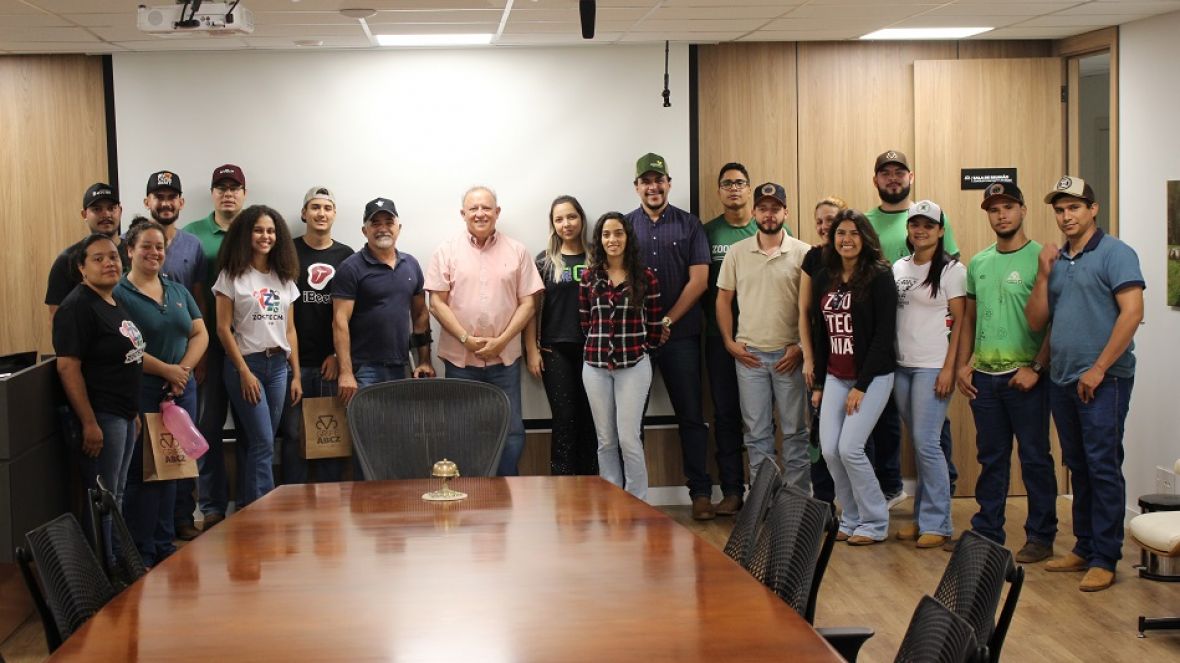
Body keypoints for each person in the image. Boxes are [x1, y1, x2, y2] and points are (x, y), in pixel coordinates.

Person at [1026, 175, 1144, 592]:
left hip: (1104, 381)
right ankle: (1084, 546)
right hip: (1062, 379)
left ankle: (1105, 557)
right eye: (1059, 209)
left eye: (1074, 207)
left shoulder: (1116, 253)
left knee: (1103, 466)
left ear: (1093, 209)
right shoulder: (1057, 260)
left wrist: (1098, 368)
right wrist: (1043, 274)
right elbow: (1039, 322)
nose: (1066, 216)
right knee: (1078, 467)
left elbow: (1132, 313)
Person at [955, 182, 1057, 562]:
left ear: (1023, 210)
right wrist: (966, 364)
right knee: (991, 457)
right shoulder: (979, 263)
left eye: (1008, 207)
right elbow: (968, 320)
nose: (1001, 215)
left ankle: (1041, 536)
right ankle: (987, 530)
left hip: (1026, 377)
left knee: (1034, 457)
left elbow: (1054, 322)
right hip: (985, 377)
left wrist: (1036, 367)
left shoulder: (1042, 259)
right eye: (994, 209)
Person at [425, 186, 543, 476]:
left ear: (497, 212)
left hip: (506, 360)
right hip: (460, 361)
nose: (480, 213)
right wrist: (466, 339)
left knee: (512, 429)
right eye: (473, 208)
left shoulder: (517, 251)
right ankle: (471, 492)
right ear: (463, 214)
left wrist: (502, 341)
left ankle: (505, 489)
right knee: (461, 430)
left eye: (486, 208)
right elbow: (436, 303)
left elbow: (529, 304)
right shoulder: (446, 250)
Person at [864, 150, 959, 506]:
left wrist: (950, 359)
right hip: (887, 345)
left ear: (911, 177)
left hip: (929, 354)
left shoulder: (928, 216)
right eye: (885, 172)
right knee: (886, 422)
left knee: (931, 432)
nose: (893, 178)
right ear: (875, 180)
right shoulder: (867, 222)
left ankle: (941, 497)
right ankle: (892, 491)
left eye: (899, 172)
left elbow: (953, 296)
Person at [114, 219, 208, 566]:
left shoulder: (178, 291)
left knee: (174, 469)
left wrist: (181, 371)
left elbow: (200, 334)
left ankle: (164, 545)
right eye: (146, 246)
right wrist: (166, 371)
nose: (154, 253)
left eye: (159, 247)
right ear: (130, 251)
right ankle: (141, 551)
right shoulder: (120, 295)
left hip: (180, 393)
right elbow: (125, 345)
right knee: (143, 474)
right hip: (144, 392)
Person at [625, 152, 713, 519]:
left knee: (691, 416)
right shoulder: (624, 227)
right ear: (637, 187)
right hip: (635, 340)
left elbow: (700, 281)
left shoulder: (690, 225)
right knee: (632, 423)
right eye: (646, 181)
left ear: (669, 183)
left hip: (682, 338)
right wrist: (646, 325)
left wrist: (667, 322)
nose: (653, 186)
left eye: (659, 180)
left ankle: (701, 493)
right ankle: (633, 495)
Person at [53, 233, 146, 555]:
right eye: (98, 258)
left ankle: (118, 565)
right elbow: (68, 367)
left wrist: (133, 412)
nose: (109, 263)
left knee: (115, 494)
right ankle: (103, 575)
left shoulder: (112, 300)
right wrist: (89, 423)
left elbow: (126, 356)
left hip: (123, 414)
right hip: (101, 415)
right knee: (102, 499)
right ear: (81, 268)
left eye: (113, 257)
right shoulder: (77, 307)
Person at [716, 182, 812, 492]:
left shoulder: (803, 253)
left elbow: (812, 308)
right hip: (750, 358)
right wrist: (730, 343)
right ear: (754, 211)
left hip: (789, 358)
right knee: (757, 436)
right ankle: (763, 502)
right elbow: (723, 300)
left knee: (796, 434)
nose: (769, 214)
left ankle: (796, 504)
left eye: (775, 208)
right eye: (763, 208)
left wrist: (800, 347)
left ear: (786, 211)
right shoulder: (737, 252)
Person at [809, 210, 896, 545]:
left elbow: (883, 335)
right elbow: (821, 335)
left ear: (866, 237)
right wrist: (818, 383)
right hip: (834, 375)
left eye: (854, 233)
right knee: (830, 450)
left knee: (851, 448)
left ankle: (875, 521)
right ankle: (852, 515)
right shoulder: (825, 277)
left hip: (872, 377)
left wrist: (861, 386)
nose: (846, 239)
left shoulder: (879, 276)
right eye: (840, 233)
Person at [212, 205, 301, 507]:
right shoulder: (232, 275)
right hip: (246, 365)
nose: (266, 236)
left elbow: (290, 331)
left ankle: (247, 511)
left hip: (278, 367)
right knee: (263, 442)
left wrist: (296, 374)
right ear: (246, 234)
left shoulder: (285, 277)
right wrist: (243, 372)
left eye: (271, 231)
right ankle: (264, 513)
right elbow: (223, 329)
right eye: (259, 230)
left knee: (260, 441)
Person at [891, 200, 964, 549]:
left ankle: (939, 523)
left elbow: (962, 323)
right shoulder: (899, 268)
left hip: (933, 367)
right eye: (915, 224)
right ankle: (923, 519)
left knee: (927, 443)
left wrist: (951, 367)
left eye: (928, 225)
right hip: (902, 367)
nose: (920, 231)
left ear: (940, 230)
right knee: (920, 443)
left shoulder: (953, 271)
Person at [182, 164, 249, 537]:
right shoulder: (193, 236)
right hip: (208, 348)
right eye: (221, 187)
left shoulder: (256, 229)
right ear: (212, 193)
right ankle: (210, 507)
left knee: (248, 430)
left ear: (244, 192)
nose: (228, 193)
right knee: (206, 428)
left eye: (234, 187)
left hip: (250, 348)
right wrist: (200, 353)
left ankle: (246, 505)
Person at [580, 212, 666, 500]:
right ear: (599, 240)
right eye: (606, 235)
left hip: (634, 366)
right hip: (595, 367)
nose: (612, 240)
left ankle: (637, 500)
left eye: (618, 233)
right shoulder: (589, 277)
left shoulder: (646, 277)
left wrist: (640, 347)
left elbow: (654, 325)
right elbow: (585, 321)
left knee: (629, 438)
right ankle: (612, 497)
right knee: (605, 440)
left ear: (628, 237)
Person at [277, 187, 355, 483]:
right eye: (315, 207)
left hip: (329, 365)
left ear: (334, 214)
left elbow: (351, 316)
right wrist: (293, 366)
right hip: (291, 363)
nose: (321, 213)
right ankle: (291, 501)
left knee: (329, 435)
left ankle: (330, 504)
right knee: (294, 434)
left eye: (327, 208)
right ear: (303, 213)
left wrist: (338, 356)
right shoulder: (287, 251)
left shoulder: (347, 256)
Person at [334, 197, 433, 409]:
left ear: (399, 227)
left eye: (388, 222)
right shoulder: (351, 268)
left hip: (402, 366)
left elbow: (420, 315)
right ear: (364, 230)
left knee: (397, 434)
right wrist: (345, 372)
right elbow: (339, 322)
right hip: (364, 370)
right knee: (365, 434)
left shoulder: (411, 265)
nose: (383, 229)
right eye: (375, 223)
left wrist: (425, 360)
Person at [524, 195, 597, 476]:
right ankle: (563, 490)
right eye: (559, 219)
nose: (566, 223)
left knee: (592, 422)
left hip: (594, 352)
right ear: (553, 225)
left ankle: (593, 487)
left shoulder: (597, 257)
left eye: (571, 217)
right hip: (556, 352)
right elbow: (532, 308)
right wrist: (532, 349)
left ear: (581, 219)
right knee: (565, 421)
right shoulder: (544, 261)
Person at [702, 163, 757, 514]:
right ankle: (733, 491)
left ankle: (764, 492)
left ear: (749, 189)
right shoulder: (707, 233)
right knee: (725, 415)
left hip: (760, 340)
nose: (734, 189)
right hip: (718, 339)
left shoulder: (765, 227)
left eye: (740, 183)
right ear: (719, 191)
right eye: (727, 184)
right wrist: (725, 337)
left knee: (760, 419)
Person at [800, 196, 847, 502]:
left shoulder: (860, 257)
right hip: (821, 360)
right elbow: (803, 310)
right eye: (819, 221)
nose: (823, 226)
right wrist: (807, 358)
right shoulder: (812, 259)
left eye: (830, 220)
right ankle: (824, 502)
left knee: (853, 440)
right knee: (819, 434)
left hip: (852, 360)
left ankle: (854, 506)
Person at [46, 183, 124, 317]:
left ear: (120, 211)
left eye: (111, 208)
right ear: (84, 214)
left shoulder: (135, 253)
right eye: (97, 209)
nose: (106, 214)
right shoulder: (67, 260)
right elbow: (57, 319)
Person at [142, 170, 206, 296]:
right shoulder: (129, 243)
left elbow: (198, 299)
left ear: (181, 203)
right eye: (159, 197)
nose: (166, 204)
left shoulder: (193, 245)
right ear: (147, 202)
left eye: (172, 197)